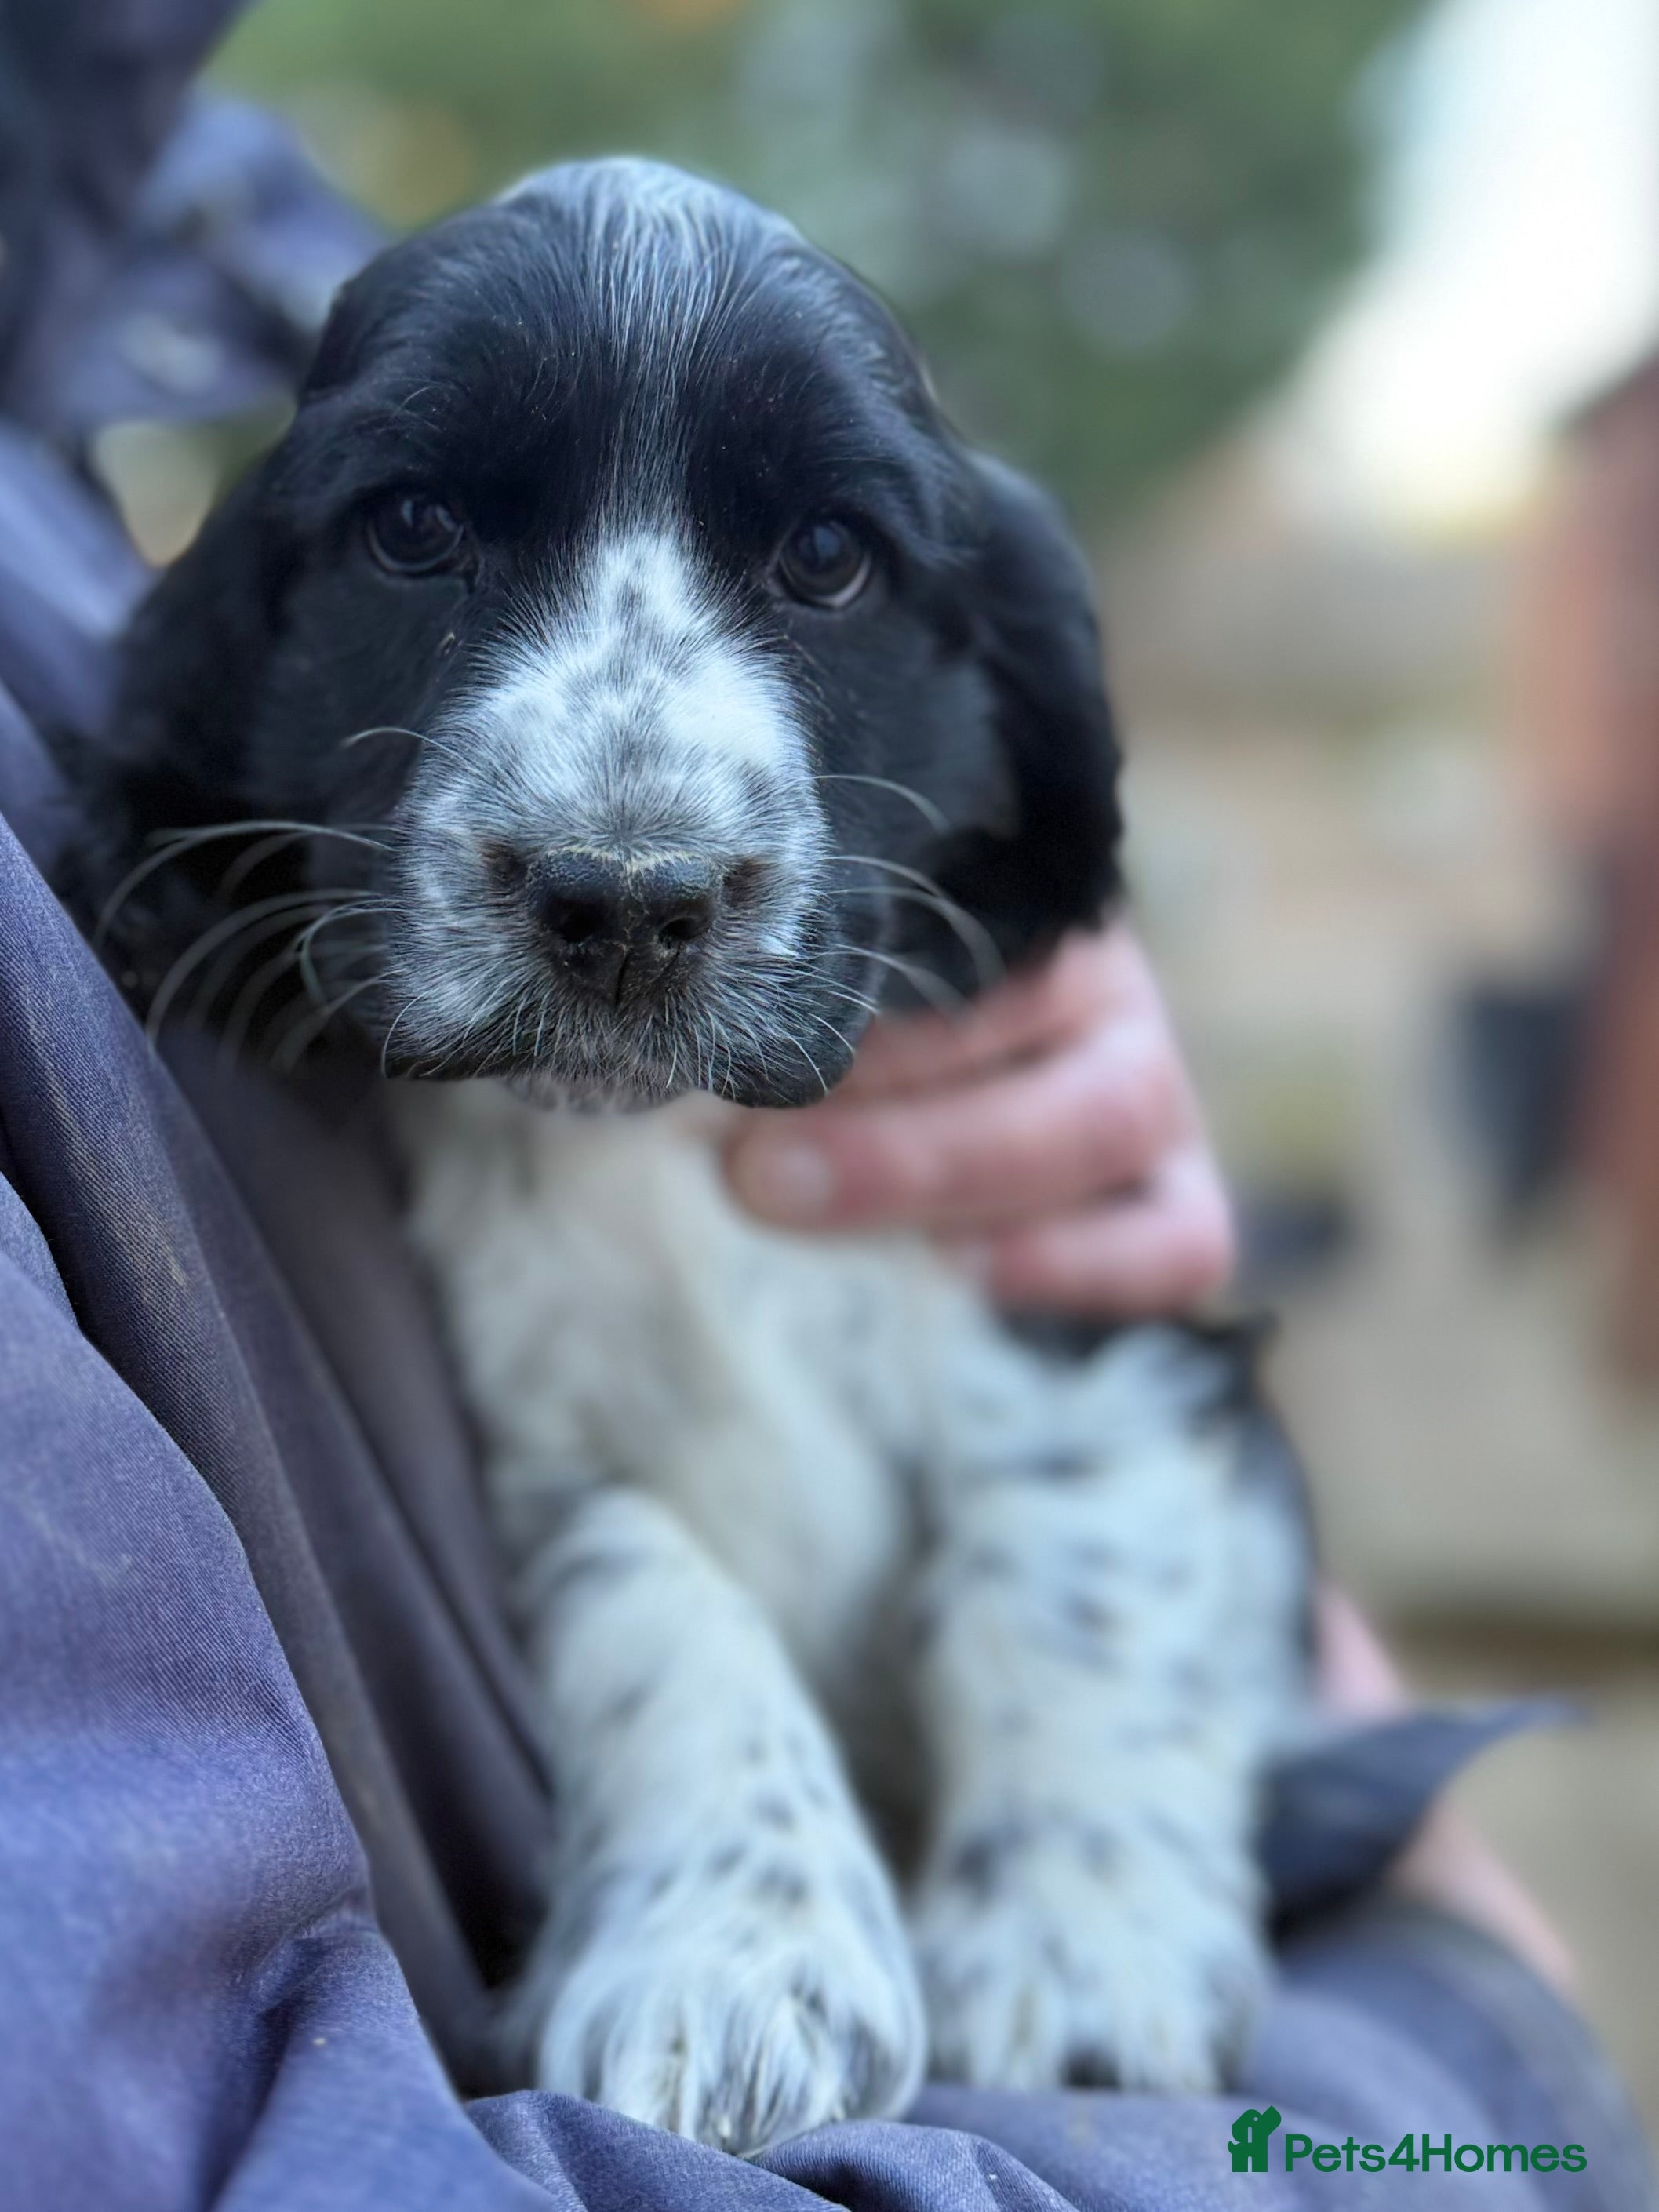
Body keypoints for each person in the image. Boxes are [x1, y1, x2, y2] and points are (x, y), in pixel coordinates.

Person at [0, 5, 1648, 2205]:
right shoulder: (177, 771)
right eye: (417, 532)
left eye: (823, 561)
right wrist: (1458, 2047)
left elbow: (1117, 1354)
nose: (626, 827)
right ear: (244, 628)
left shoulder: (143, 256)